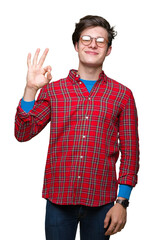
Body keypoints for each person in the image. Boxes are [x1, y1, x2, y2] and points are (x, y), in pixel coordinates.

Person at [14, 15, 139, 240]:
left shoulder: (122, 95)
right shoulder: (54, 91)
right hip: (58, 199)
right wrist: (31, 88)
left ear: (108, 50)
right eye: (86, 38)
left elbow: (131, 152)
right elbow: (23, 133)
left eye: (100, 41)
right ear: (76, 45)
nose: (93, 44)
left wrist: (122, 201)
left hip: (102, 202)